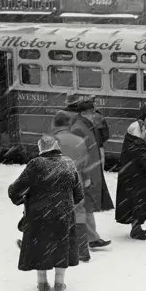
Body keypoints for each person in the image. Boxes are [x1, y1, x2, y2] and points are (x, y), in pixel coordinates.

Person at [8, 135, 83, 291]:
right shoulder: (68, 163)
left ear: (41, 148)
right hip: (63, 214)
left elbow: (15, 189)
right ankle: (59, 284)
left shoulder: (36, 164)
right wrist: (64, 203)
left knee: (41, 247)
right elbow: (79, 194)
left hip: (39, 215)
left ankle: (42, 283)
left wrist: (21, 199)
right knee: (60, 247)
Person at [66, 93, 111, 249]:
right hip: (85, 173)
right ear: (85, 113)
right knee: (84, 206)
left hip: (90, 171)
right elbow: (79, 154)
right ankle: (89, 238)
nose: (95, 115)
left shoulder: (85, 125)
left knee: (87, 206)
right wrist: (85, 174)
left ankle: (92, 238)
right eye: (93, 112)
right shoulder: (80, 128)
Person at [51, 111, 92, 263]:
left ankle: (56, 250)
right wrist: (86, 179)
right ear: (69, 124)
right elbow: (85, 163)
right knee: (79, 215)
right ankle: (82, 251)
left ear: (55, 124)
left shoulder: (51, 141)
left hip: (55, 182)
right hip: (76, 180)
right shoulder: (79, 140)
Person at [115, 120, 146, 240]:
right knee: (137, 204)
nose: (145, 131)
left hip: (131, 179)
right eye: (143, 129)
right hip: (137, 180)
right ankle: (135, 230)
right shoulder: (138, 145)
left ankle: (136, 227)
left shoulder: (130, 142)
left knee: (133, 204)